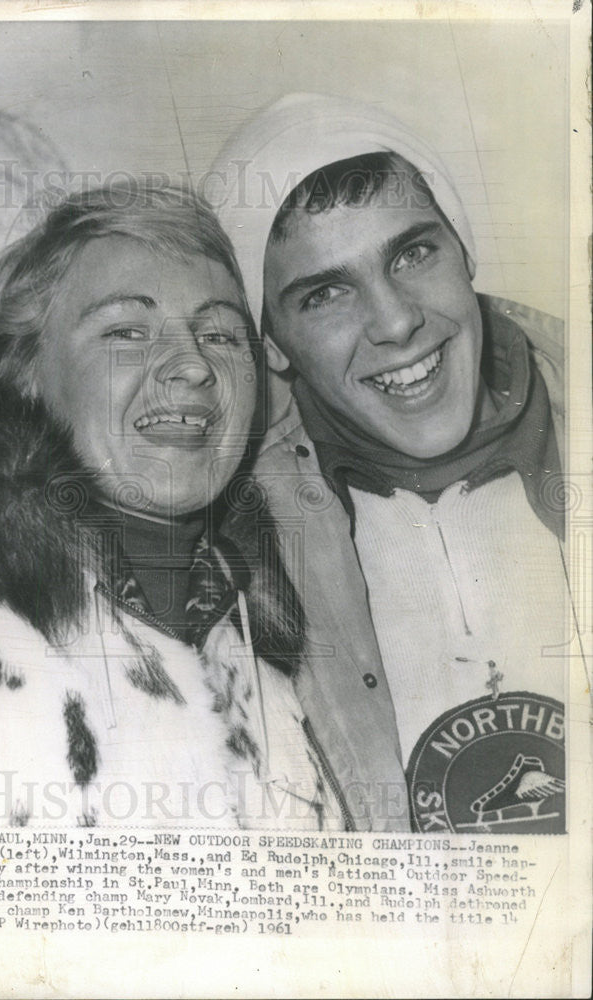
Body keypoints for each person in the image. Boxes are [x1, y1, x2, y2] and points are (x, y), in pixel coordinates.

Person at [0, 183, 352, 831]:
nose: (191, 365)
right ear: (20, 374)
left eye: (222, 335)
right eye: (127, 329)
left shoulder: (268, 662)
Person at [212, 94, 569, 834]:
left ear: (463, 251)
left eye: (411, 253)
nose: (397, 321)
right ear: (270, 342)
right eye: (325, 294)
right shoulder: (235, 549)